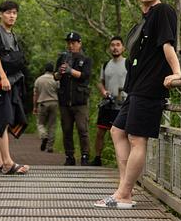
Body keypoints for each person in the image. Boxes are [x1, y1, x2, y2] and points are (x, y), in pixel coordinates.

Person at [95, 0, 181, 208]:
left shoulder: (163, 11)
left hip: (151, 87)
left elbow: (167, 44)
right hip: (137, 88)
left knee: (136, 139)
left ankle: (123, 194)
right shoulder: (143, 21)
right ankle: (125, 190)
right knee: (117, 131)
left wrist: (177, 72)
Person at [0, 0, 29, 174]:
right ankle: (8, 162)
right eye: (8, 12)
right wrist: (3, 77)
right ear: (0, 14)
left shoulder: (13, 35)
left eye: (14, 13)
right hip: (0, 84)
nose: (12, 16)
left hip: (12, 83)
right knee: (3, 121)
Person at [54, 31, 92, 165]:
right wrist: (60, 72)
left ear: (79, 43)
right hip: (65, 100)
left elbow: (85, 76)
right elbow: (55, 76)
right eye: (68, 43)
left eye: (73, 43)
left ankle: (85, 156)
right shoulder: (62, 58)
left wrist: (71, 71)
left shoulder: (86, 59)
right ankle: (69, 156)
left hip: (80, 101)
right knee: (67, 129)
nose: (70, 46)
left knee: (82, 129)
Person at [91, 36, 127, 166]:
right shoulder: (106, 65)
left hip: (123, 104)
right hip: (108, 103)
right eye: (112, 45)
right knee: (100, 132)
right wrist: (104, 92)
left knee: (123, 134)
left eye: (118, 45)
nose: (115, 47)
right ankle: (97, 158)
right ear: (109, 48)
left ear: (123, 48)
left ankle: (122, 162)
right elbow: (100, 82)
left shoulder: (128, 64)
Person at [32, 62, 59, 151]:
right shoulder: (55, 80)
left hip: (43, 103)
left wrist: (35, 107)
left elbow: (35, 94)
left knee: (40, 123)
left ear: (45, 70)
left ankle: (44, 136)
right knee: (52, 125)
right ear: (52, 70)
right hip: (54, 102)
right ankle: (50, 147)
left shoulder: (39, 80)